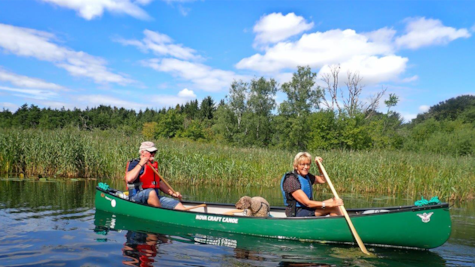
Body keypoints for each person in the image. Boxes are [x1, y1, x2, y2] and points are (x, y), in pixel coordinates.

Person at [125, 141, 185, 210]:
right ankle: (160, 214)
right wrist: (142, 163)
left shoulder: (152, 165)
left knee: (177, 204)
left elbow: (160, 184)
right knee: (151, 192)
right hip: (136, 197)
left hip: (154, 197)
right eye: (151, 152)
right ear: (142, 152)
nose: (153, 154)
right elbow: (129, 179)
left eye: (154, 152)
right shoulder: (134, 163)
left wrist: (172, 193)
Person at [280, 152, 343, 217]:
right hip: (297, 212)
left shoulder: (307, 176)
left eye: (308, 164)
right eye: (302, 164)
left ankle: (338, 222)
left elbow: (322, 180)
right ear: (296, 166)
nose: (306, 167)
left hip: (308, 208)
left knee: (335, 200)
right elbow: (307, 203)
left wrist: (319, 165)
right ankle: (339, 224)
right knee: (333, 207)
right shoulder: (291, 180)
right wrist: (329, 204)